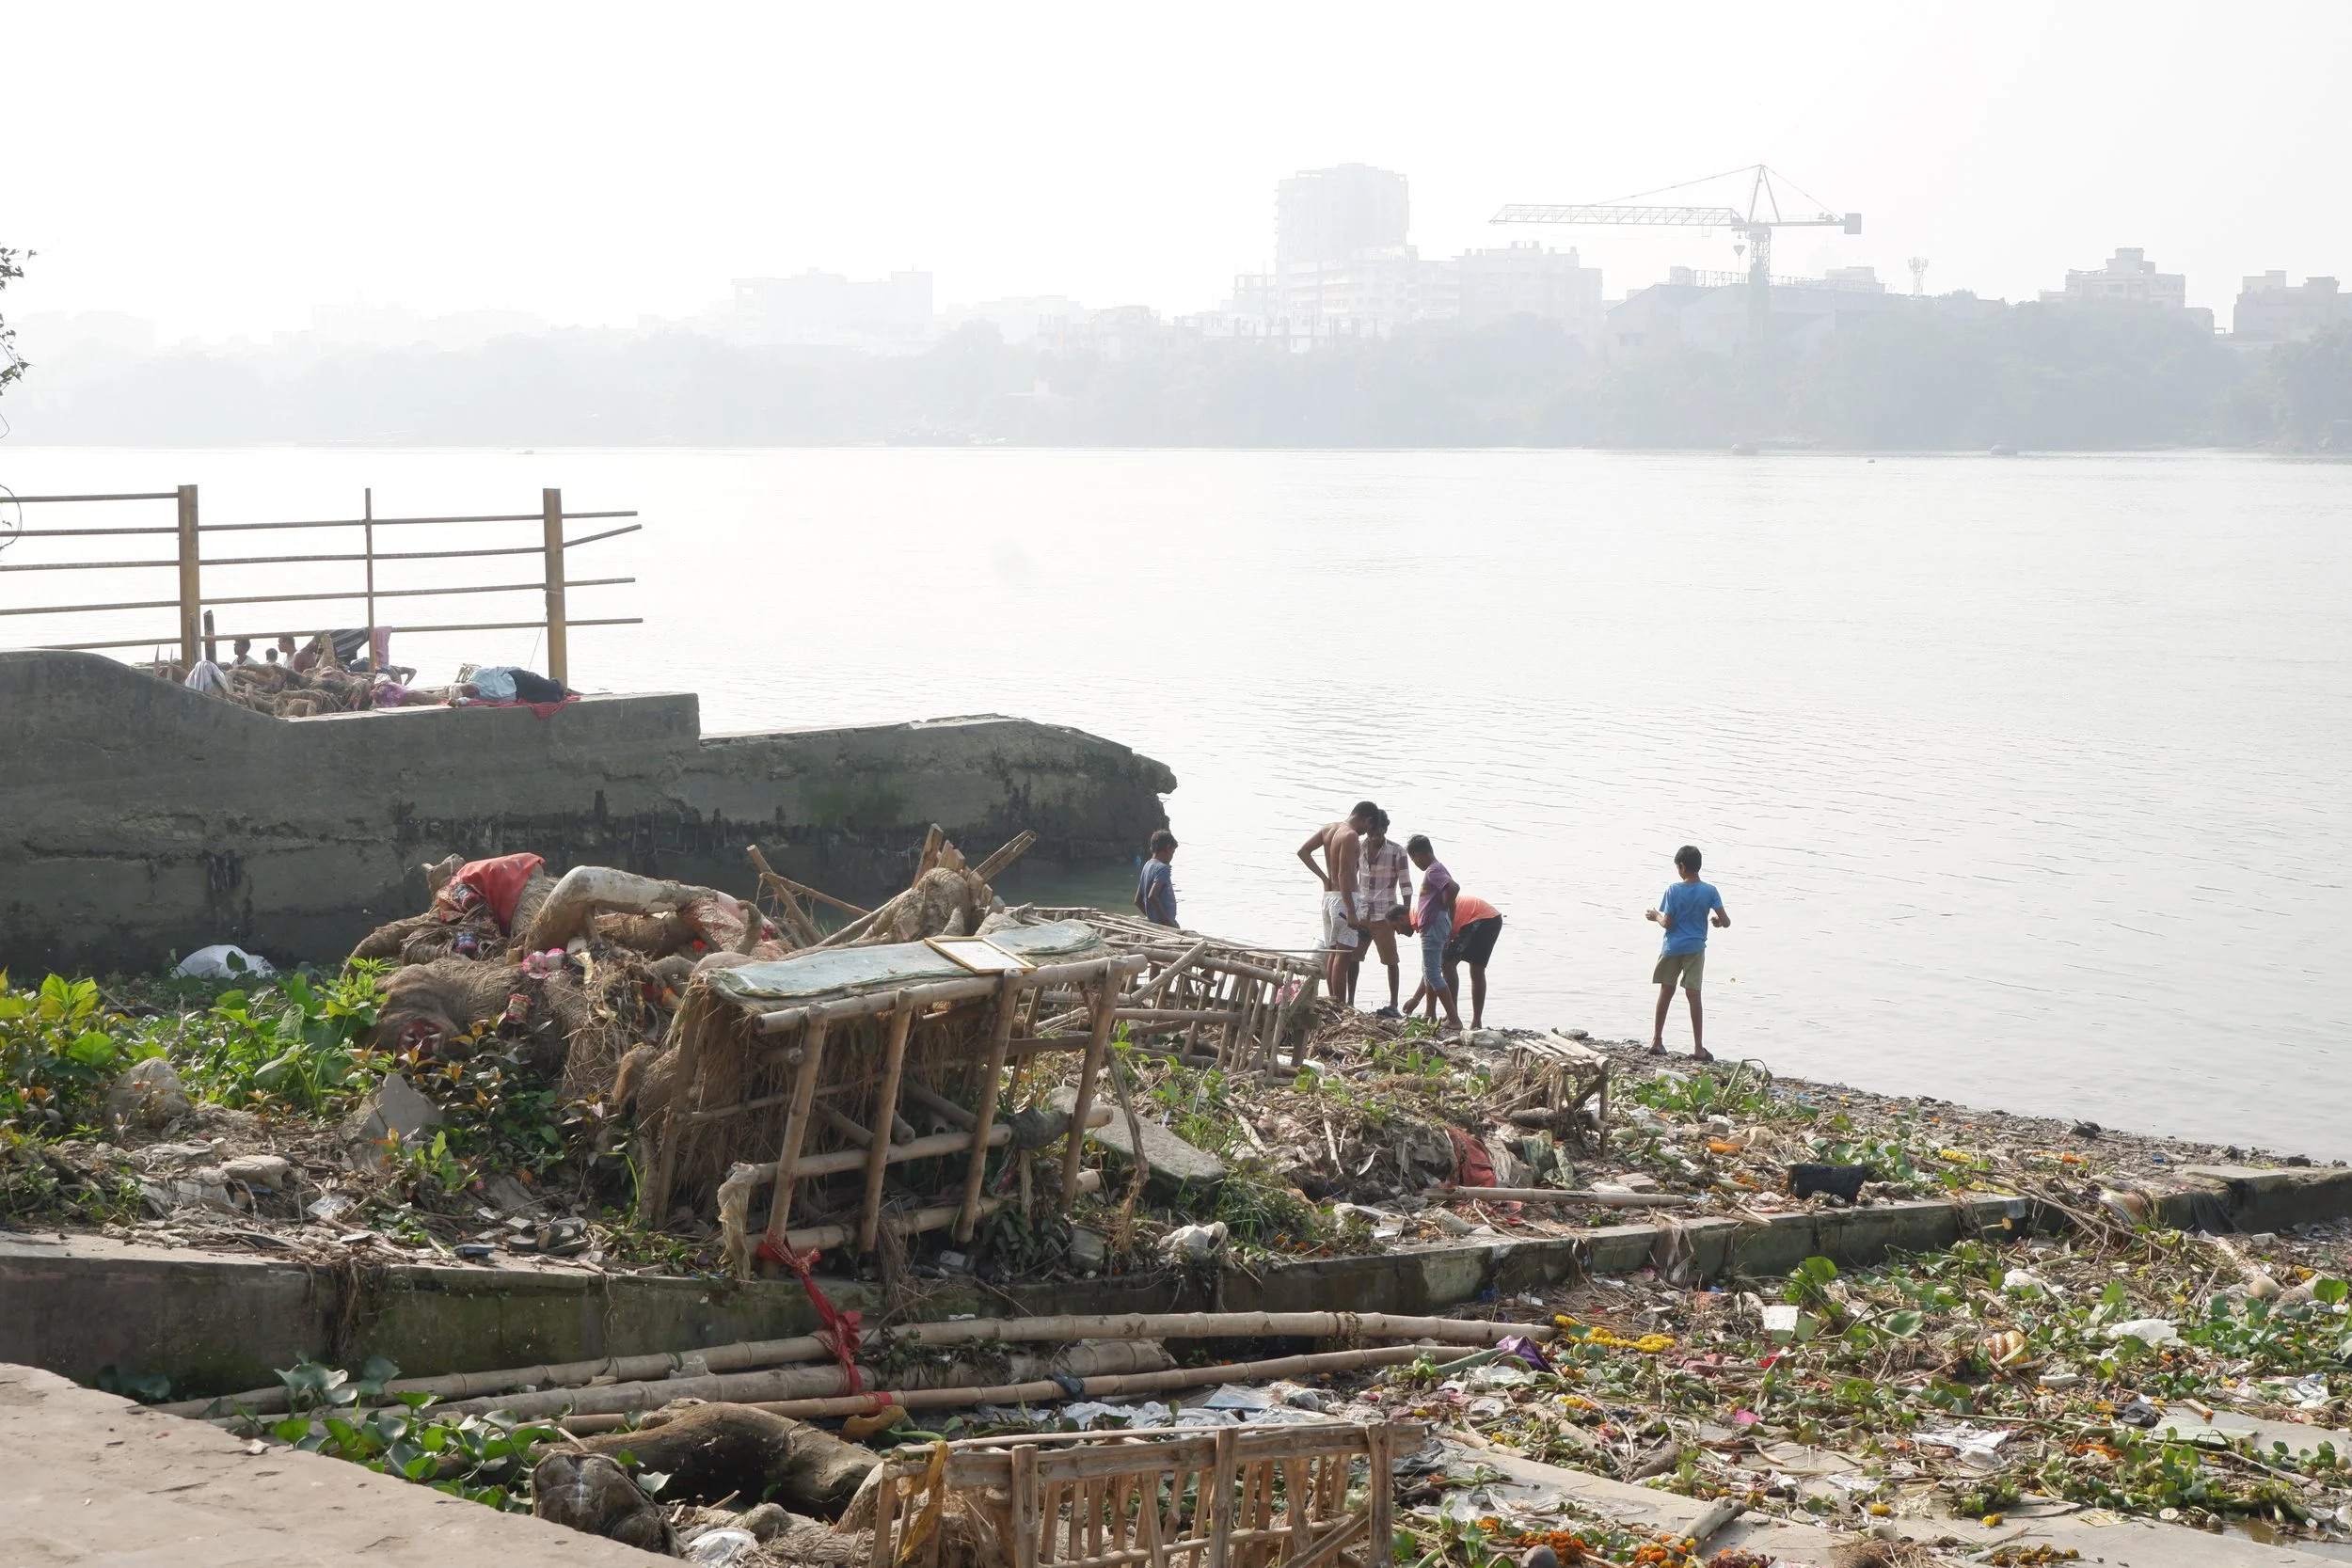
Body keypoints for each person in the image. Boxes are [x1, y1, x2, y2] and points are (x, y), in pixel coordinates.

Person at [1645, 844, 1729, 1061]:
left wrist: (1656, 916)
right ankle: (1698, 1048)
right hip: (1695, 948)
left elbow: (1668, 923)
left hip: (1672, 947)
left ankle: (1656, 1040)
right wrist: (1717, 922)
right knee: (1694, 995)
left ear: (1682, 867)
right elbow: (1726, 921)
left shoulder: (1673, 890)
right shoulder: (1710, 891)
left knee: (1666, 991)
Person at [1297, 801, 1377, 1000]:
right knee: (1344, 956)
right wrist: (1351, 910)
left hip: (1328, 898)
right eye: (1368, 827)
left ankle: (1333, 1000)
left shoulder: (1329, 829)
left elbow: (1303, 852)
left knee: (1334, 952)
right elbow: (1343, 874)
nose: (1366, 832)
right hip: (1344, 900)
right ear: (1367, 820)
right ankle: (1339, 1004)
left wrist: (1324, 878)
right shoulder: (1350, 835)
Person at [1408, 890, 1502, 1029]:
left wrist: (1416, 999)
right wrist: (1416, 999)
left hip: (1478, 918)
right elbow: (1431, 967)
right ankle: (1470, 1021)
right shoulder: (1421, 912)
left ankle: (1454, 1017)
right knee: (1476, 970)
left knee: (1448, 964)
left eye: (1396, 928)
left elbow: (1432, 967)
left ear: (1400, 918)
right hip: (1492, 917)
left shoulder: (1422, 917)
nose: (1398, 932)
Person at [1352, 811, 1414, 1017]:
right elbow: (1352, 877)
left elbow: (1405, 884)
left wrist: (1405, 914)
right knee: (1353, 958)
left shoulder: (1397, 852)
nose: (1373, 837)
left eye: (1378, 833)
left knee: (1390, 960)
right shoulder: (1359, 847)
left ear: (1385, 830)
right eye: (1371, 832)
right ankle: (1349, 1002)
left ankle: (1394, 1004)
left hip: (1385, 915)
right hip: (1362, 913)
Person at [1405, 834, 1462, 1031]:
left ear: (1419, 855)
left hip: (1434, 923)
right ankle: (1430, 1013)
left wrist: (1442, 909)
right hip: (1438, 923)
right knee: (1428, 969)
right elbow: (1451, 898)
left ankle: (1453, 1018)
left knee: (1432, 972)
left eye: (1414, 859)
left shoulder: (1433, 871)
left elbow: (1454, 888)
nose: (1415, 864)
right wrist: (1448, 916)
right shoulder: (1439, 869)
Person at [1135, 830, 1180, 927]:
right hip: (1166, 925)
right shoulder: (1163, 868)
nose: (1172, 856)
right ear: (1168, 849)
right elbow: (1152, 896)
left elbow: (1137, 901)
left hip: (1156, 924)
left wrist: (1152, 918)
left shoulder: (1147, 866)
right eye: (1173, 852)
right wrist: (1165, 922)